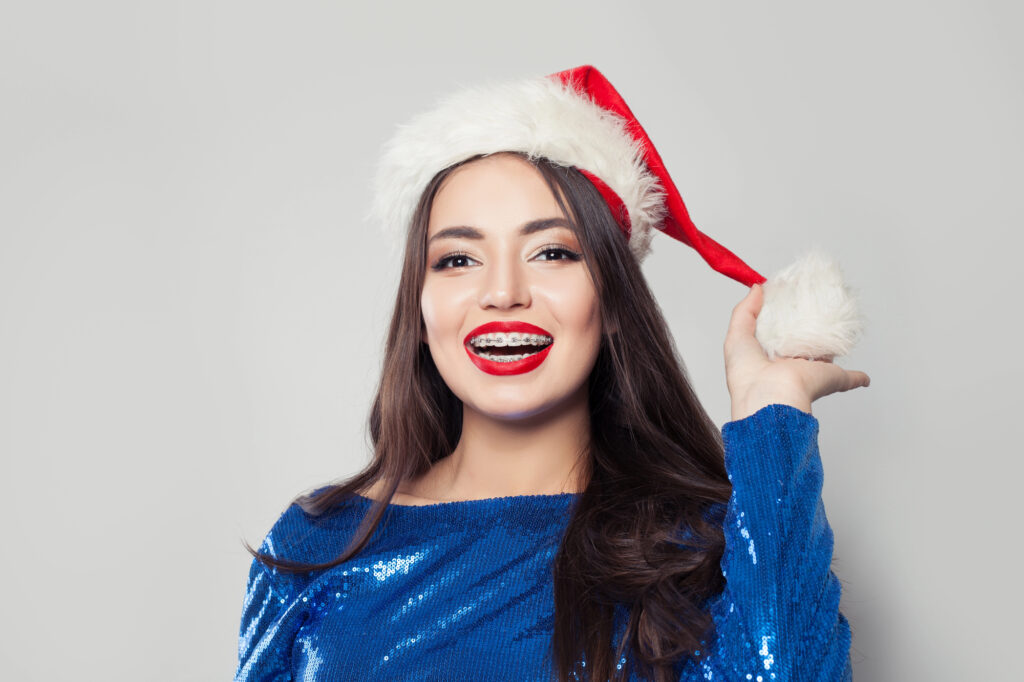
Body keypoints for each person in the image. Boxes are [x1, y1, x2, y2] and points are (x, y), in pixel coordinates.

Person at [234, 66, 869, 681]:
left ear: (614, 303)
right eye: (458, 258)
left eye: (552, 252)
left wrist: (772, 419)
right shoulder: (318, 543)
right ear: (421, 311)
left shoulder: (709, 544)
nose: (503, 292)